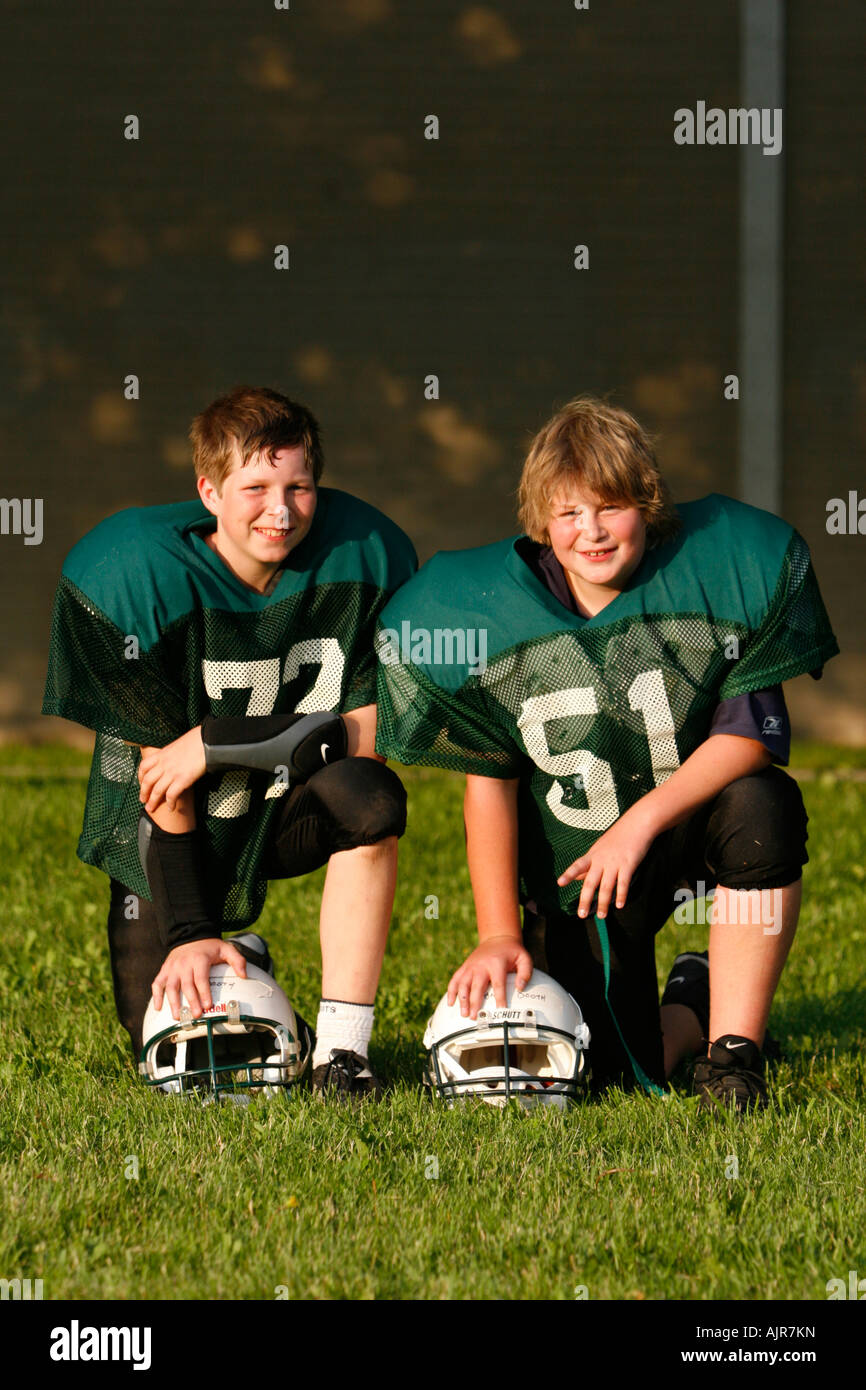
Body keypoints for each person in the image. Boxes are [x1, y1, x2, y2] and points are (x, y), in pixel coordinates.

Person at [375, 397, 839, 1109]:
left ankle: (735, 1053)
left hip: (680, 828)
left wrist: (638, 824)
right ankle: (696, 991)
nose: (590, 531)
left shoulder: (713, 570)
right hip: (578, 869)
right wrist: (498, 932)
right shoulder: (486, 610)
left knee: (764, 807)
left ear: (648, 505)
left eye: (610, 507)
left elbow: (749, 738)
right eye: (568, 514)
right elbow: (489, 786)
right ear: (539, 521)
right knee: (613, 1071)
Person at [43, 385, 417, 1099]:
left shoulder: (363, 555)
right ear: (208, 490)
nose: (280, 510)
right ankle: (237, 949)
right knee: (175, 1051)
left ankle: (342, 1051)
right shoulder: (137, 578)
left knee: (370, 800)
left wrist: (216, 743)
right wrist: (189, 932)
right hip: (170, 820)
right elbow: (163, 780)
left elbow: (367, 735)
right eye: (256, 487)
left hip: (283, 806)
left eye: (298, 486)